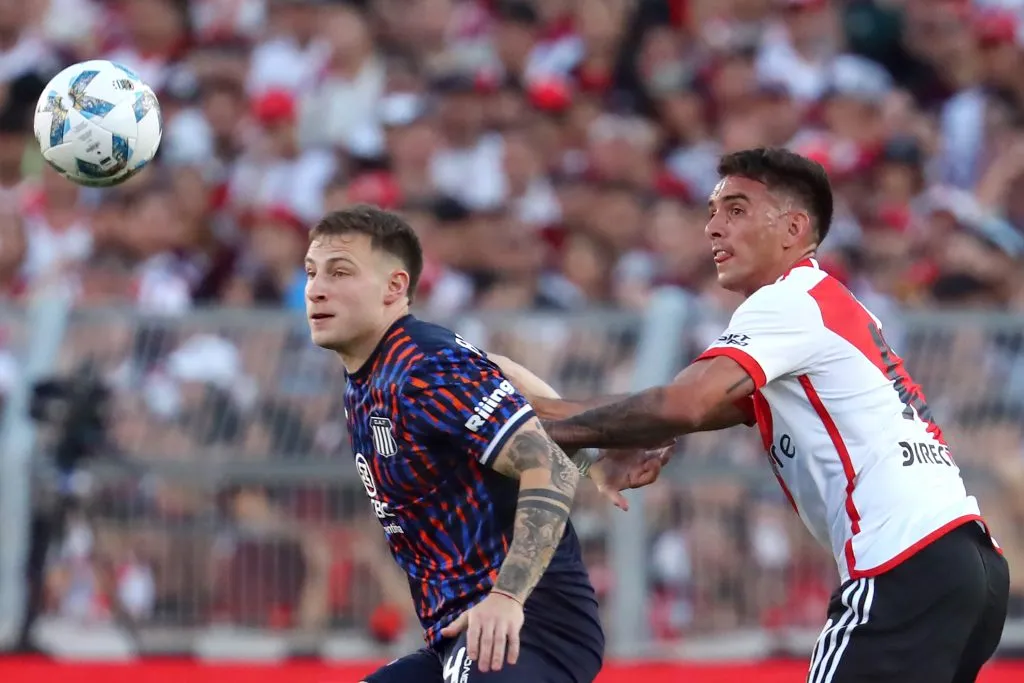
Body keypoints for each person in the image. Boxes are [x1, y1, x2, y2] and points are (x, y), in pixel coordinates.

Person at [497, 148, 1011, 683]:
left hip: (904, 564)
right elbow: (687, 412)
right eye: (713, 212)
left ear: (793, 228)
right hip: (968, 565)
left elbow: (682, 403)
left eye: (736, 210)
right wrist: (533, 410)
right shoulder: (825, 310)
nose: (714, 228)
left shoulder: (789, 301)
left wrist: (536, 434)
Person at [302, 205, 663, 683]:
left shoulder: (422, 366)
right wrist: (593, 458)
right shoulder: (385, 369)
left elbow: (547, 469)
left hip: (526, 623)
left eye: (340, 272)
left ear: (394, 287)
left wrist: (508, 597)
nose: (316, 288)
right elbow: (504, 373)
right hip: (461, 632)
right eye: (311, 272)